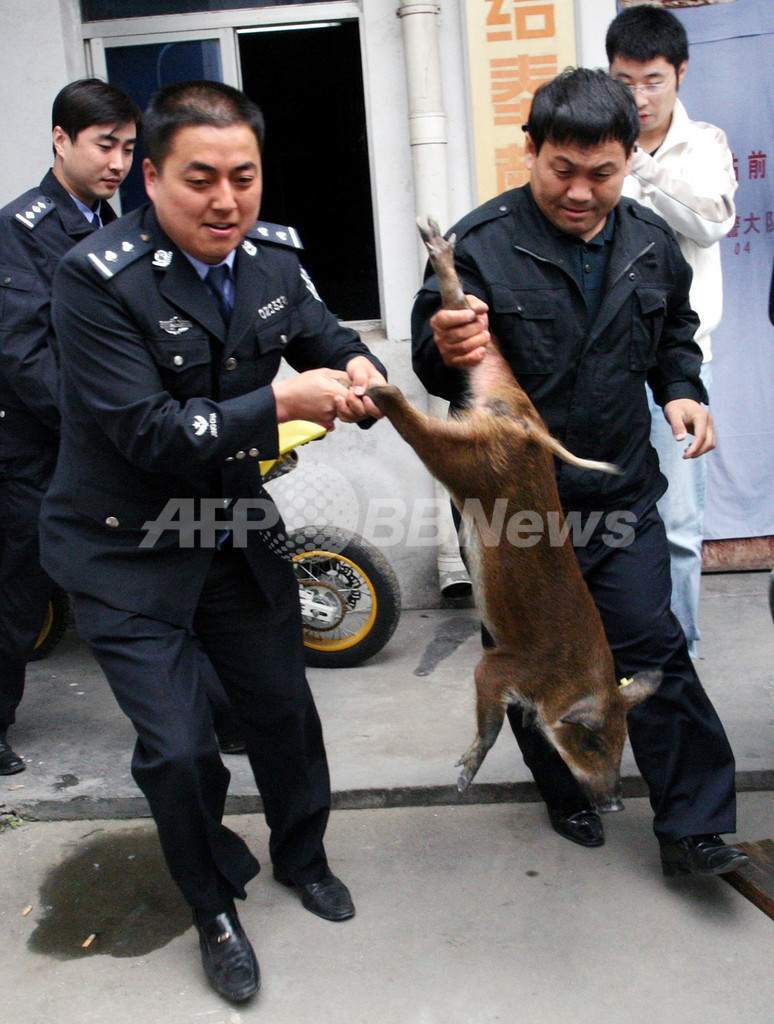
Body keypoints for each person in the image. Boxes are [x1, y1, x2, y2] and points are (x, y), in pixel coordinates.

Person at [40, 80, 387, 1003]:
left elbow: (325, 336)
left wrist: (359, 368)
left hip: (232, 524)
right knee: (182, 748)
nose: (226, 201)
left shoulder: (272, 258)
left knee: (281, 709)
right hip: (122, 543)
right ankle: (212, 905)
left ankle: (303, 856)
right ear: (150, 176)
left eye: (244, 177)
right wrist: (279, 400)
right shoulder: (93, 277)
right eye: (200, 179)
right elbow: (150, 431)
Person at [412, 68, 748, 879]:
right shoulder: (483, 243)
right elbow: (436, 354)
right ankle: (565, 786)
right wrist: (446, 348)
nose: (581, 191)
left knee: (650, 648)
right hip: (515, 513)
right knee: (531, 658)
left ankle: (693, 828)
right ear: (530, 150)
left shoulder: (646, 240)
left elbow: (675, 329)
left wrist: (680, 392)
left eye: (603, 172)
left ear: (630, 159)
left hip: (616, 495)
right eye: (563, 169)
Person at [0, 79, 140, 776]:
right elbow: (24, 352)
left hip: (106, 438)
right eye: (104, 145)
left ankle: (192, 711)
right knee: (17, 587)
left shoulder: (114, 225)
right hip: (34, 443)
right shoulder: (21, 227)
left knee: (147, 578)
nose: (117, 162)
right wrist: (101, 427)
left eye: (128, 148)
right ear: (61, 140)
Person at [606, 5, 737, 659]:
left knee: (681, 523)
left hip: (678, 366)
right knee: (605, 518)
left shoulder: (705, 144)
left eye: (653, 80)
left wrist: (643, 169)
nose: (639, 96)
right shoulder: (594, 146)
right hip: (600, 365)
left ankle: (677, 655)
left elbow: (712, 222)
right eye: (625, 80)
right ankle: (617, 655)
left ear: (680, 73)